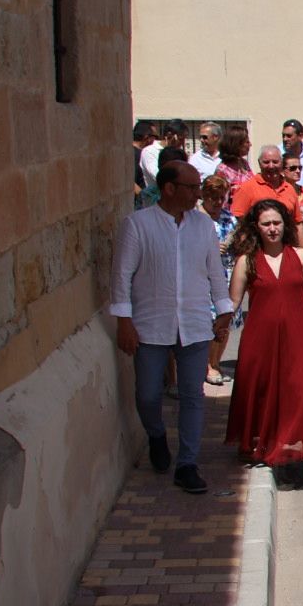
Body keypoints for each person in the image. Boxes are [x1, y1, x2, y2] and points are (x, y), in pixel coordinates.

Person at [110, 162, 234, 495]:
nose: (198, 194)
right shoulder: (137, 225)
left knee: (193, 396)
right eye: (192, 188)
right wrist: (124, 321)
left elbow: (215, 273)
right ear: (169, 188)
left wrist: (224, 310)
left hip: (194, 324)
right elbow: (121, 276)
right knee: (148, 394)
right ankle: (156, 435)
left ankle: (187, 464)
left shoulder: (204, 227)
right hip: (150, 325)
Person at [224, 199, 303, 495]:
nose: (273, 229)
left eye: (277, 223)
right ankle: (257, 441)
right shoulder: (246, 261)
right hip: (260, 339)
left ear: (285, 225)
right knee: (259, 391)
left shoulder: (301, 256)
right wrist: (215, 328)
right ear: (256, 228)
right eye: (266, 224)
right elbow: (232, 302)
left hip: (299, 336)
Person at [200, 175, 237, 386]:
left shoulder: (228, 218)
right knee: (208, 322)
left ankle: (215, 361)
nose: (217, 202)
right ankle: (207, 364)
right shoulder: (194, 218)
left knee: (225, 322)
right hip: (203, 278)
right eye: (212, 197)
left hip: (226, 277)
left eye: (221, 198)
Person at [231, 145, 303, 247]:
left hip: (286, 248)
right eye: (266, 162)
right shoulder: (246, 188)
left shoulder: (289, 189)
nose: (271, 166)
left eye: (275, 162)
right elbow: (238, 224)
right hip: (257, 249)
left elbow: (298, 224)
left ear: (282, 163)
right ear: (259, 163)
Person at [215, 125, 253, 191]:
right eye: (247, 142)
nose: (250, 144)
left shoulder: (244, 163)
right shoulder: (223, 170)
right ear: (237, 144)